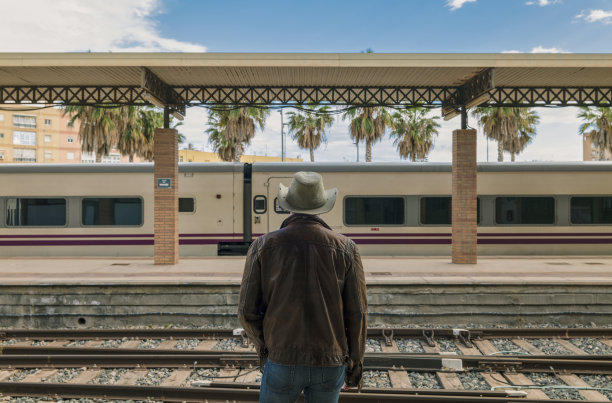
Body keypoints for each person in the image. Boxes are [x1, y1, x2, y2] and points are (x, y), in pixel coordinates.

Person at [238, 171, 367, 403]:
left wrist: (266, 347)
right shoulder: (346, 248)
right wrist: (355, 364)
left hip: (281, 360)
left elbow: (246, 312)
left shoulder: (262, 246)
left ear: (289, 206)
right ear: (321, 207)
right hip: (330, 362)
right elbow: (357, 314)